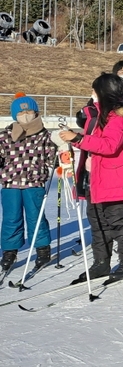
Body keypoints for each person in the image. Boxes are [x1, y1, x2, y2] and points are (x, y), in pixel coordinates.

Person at [60, 74, 123, 282]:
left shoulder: (120, 119)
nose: (92, 95)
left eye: (94, 91)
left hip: (119, 180)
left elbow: (109, 145)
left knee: (122, 223)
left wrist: (79, 139)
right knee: (99, 224)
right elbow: (96, 142)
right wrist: (77, 139)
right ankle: (101, 263)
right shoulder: (102, 118)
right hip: (99, 179)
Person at [0, 95, 58, 271]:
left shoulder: (44, 135)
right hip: (10, 184)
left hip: (34, 183)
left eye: (29, 111)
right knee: (11, 218)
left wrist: (59, 155)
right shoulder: (5, 135)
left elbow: (51, 158)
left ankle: (42, 249)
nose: (25, 115)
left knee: (36, 218)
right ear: (14, 115)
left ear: (36, 112)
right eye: (21, 112)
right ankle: (9, 251)